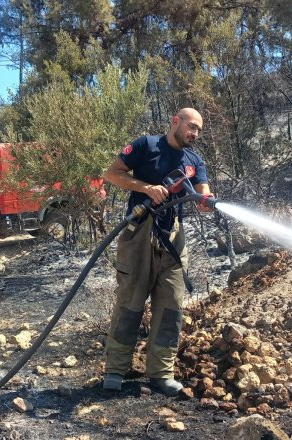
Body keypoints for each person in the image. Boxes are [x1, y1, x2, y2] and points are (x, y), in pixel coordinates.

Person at [101, 108, 213, 396]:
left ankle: (161, 374)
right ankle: (115, 370)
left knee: (171, 307)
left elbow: (202, 191)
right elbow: (112, 174)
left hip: (173, 240)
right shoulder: (146, 145)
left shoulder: (194, 160)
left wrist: (206, 201)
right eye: (191, 126)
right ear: (175, 121)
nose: (195, 133)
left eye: (199, 130)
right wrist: (147, 188)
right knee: (130, 303)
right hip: (138, 234)